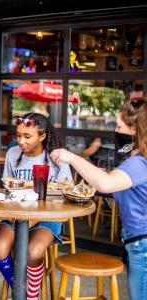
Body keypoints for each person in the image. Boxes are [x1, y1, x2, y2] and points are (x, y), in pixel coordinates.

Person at [50, 98, 147, 300]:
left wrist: (72, 157)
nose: (116, 130)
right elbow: (116, 180)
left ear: (136, 129)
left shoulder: (138, 163)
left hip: (142, 244)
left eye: (120, 126)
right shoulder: (138, 160)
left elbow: (105, 184)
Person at [0, 112, 72, 300]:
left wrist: (36, 214)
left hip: (47, 216)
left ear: (42, 136)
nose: (21, 141)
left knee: (32, 252)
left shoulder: (56, 158)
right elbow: (7, 186)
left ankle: (32, 296)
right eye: (18, 135)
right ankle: (22, 292)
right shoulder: (12, 154)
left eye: (27, 136)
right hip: (17, 213)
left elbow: (65, 194)